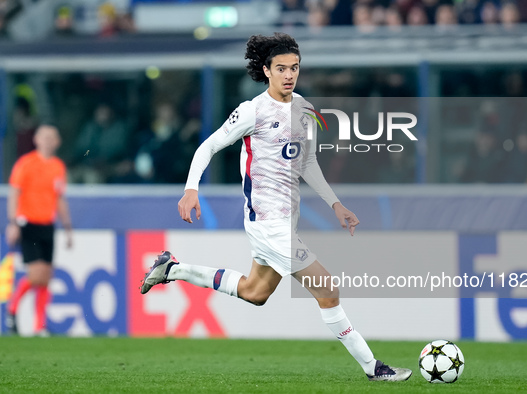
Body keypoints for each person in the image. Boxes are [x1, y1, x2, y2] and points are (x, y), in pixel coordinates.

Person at [140, 33, 412, 382]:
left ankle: (172, 269)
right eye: (281, 68)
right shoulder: (252, 111)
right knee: (326, 288)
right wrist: (191, 189)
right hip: (267, 223)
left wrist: (335, 204)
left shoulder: (304, 108)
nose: (289, 74)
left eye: (294, 68)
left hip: (287, 220)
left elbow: (308, 162)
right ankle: (373, 368)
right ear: (266, 70)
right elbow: (207, 147)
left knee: (256, 292)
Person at [4, 125, 73, 336]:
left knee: (46, 276)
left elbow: (59, 198)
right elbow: (14, 194)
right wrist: (13, 223)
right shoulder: (26, 164)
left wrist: (68, 227)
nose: (48, 141)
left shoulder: (58, 166)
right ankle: (12, 309)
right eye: (44, 137)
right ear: (36, 140)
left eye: (52, 137)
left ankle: (39, 325)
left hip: (47, 225)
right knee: (36, 274)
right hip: (29, 224)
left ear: (57, 142)